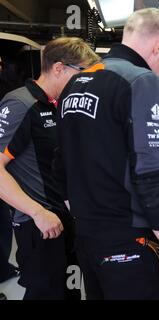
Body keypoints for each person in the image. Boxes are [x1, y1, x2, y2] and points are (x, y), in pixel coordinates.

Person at [55, 8, 159, 300]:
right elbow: (152, 181)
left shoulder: (75, 83)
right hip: (129, 246)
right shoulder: (142, 81)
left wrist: (89, 218)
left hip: (87, 241)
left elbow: (59, 165)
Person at [0, 37, 99, 299]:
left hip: (66, 220)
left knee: (70, 293)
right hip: (39, 225)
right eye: (82, 74)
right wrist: (37, 212)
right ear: (58, 68)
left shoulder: (58, 105)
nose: (85, 82)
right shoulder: (20, 104)